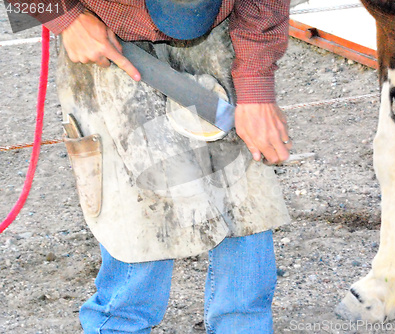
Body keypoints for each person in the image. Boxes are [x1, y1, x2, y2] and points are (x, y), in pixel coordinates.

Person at [22, 0, 292, 332]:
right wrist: (65, 17)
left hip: (219, 34)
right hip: (107, 40)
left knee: (244, 207)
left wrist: (255, 88)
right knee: (139, 228)